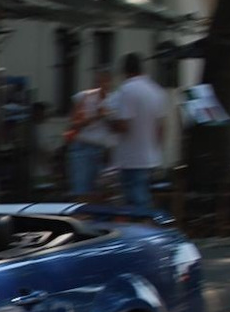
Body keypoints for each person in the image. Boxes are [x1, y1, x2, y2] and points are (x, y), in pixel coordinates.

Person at [106, 52, 171, 211]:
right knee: (144, 197)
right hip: (150, 156)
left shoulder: (127, 91)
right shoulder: (156, 90)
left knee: (134, 202)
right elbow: (161, 127)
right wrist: (158, 150)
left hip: (131, 157)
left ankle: (142, 231)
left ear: (125, 71)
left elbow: (124, 126)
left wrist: (108, 121)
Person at [66, 67, 116, 199]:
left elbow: (115, 128)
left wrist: (108, 118)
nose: (103, 84)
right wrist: (96, 116)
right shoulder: (84, 97)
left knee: (101, 193)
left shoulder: (113, 100)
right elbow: (73, 123)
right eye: (100, 81)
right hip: (84, 147)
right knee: (82, 191)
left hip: (103, 149)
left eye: (106, 81)